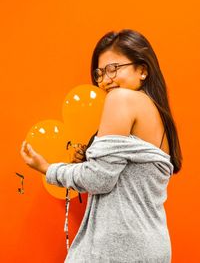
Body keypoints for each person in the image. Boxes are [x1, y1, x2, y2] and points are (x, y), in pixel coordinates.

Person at [20, 29, 182, 263]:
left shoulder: (121, 99)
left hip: (122, 247)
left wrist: (47, 168)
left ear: (143, 69)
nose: (105, 80)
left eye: (113, 68)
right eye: (99, 73)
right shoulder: (159, 116)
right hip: (152, 244)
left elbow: (99, 179)